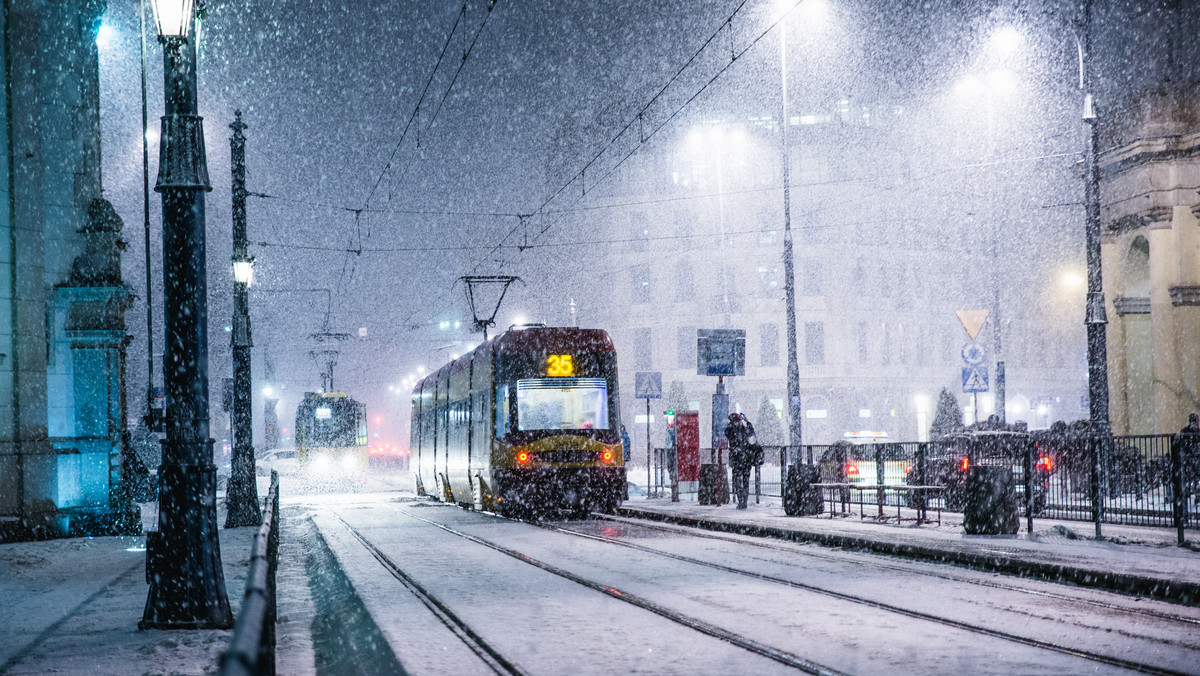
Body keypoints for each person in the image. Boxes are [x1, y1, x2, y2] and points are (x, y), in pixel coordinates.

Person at [725, 412, 755, 509]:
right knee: (744, 480)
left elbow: (729, 434)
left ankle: (742, 501)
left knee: (739, 480)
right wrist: (747, 422)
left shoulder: (733, 430)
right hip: (745, 459)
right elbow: (752, 435)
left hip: (738, 459)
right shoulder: (741, 430)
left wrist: (747, 423)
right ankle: (743, 501)